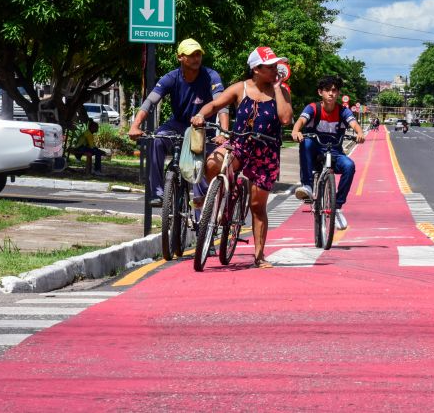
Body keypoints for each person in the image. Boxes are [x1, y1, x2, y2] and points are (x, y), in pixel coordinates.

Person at [191, 47, 293, 269]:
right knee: (212, 162)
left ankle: (259, 256)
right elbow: (215, 105)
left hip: (266, 152)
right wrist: (200, 115)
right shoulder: (241, 88)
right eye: (271, 67)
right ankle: (214, 198)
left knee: (257, 206)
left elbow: (286, 119)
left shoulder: (281, 91)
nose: (276, 70)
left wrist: (277, 88)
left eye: (277, 66)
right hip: (240, 145)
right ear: (256, 69)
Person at [128, 38, 229, 208]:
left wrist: (224, 133)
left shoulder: (211, 76)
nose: (196, 58)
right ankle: (158, 192)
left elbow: (222, 105)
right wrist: (135, 125)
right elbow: (150, 102)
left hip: (204, 130)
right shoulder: (171, 77)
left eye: (198, 54)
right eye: (191, 55)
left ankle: (201, 222)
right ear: (180, 57)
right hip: (178, 125)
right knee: (157, 139)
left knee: (200, 177)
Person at [291, 76, 365, 230]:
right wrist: (296, 131)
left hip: (335, 152)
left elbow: (354, 123)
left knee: (349, 166)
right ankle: (308, 186)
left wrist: (359, 133)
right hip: (315, 152)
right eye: (327, 90)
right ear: (320, 92)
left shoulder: (342, 111)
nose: (331, 93)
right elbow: (301, 121)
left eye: (334, 90)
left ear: (338, 93)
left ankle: (337, 207)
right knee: (306, 142)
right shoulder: (313, 108)